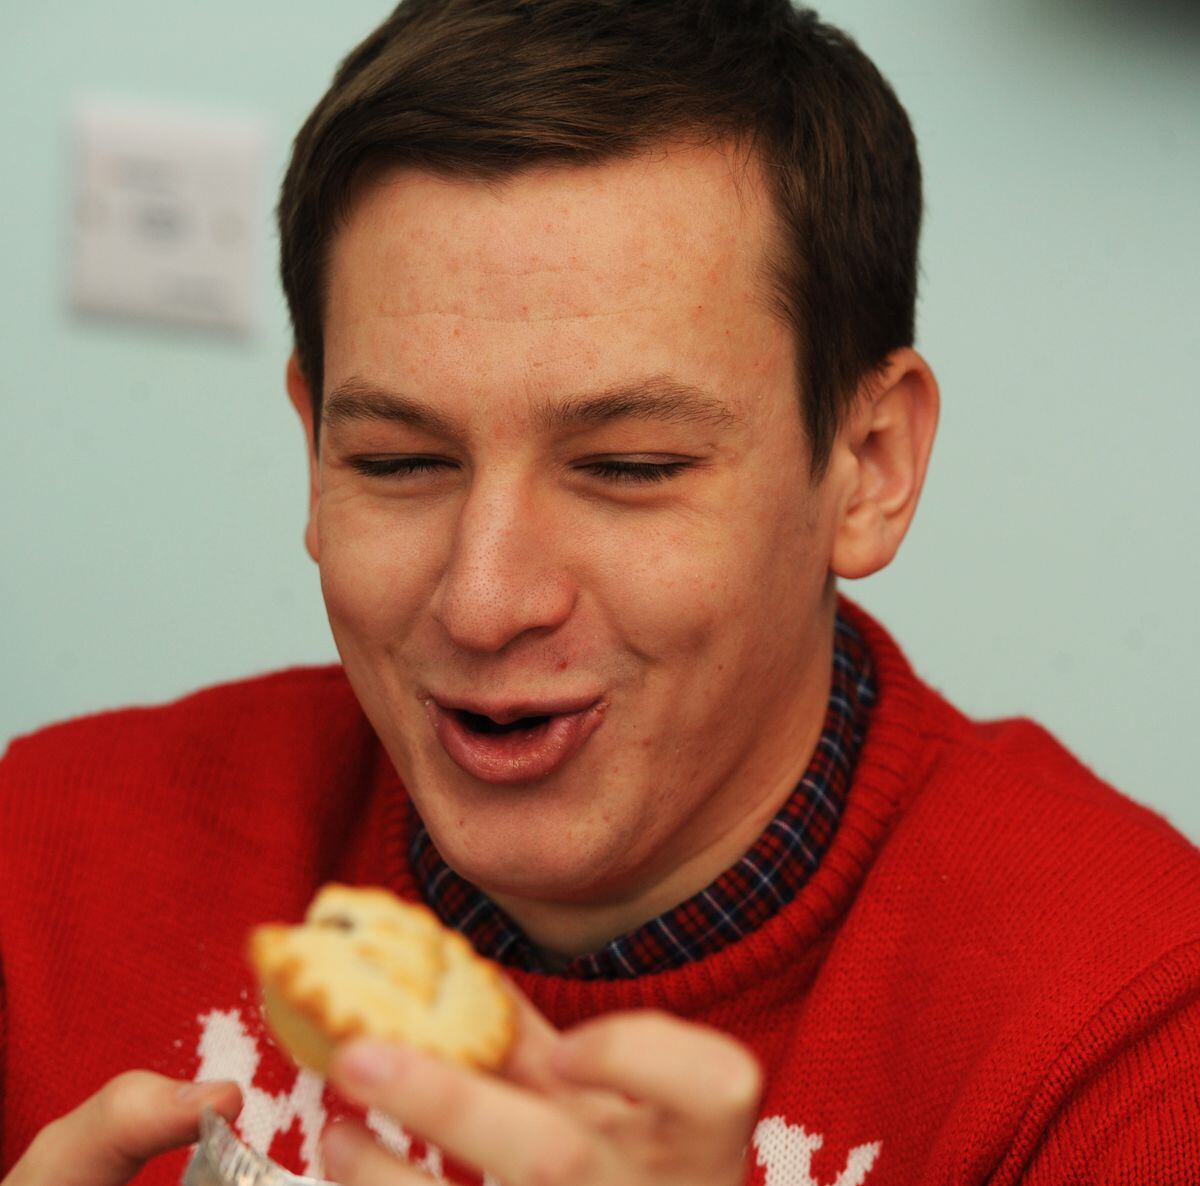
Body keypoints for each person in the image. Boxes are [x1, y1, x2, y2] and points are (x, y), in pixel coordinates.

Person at [3, 1, 1198, 1184]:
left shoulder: (1129, 1032)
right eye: (399, 463)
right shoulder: (41, 863)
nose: (483, 599)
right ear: (312, 449)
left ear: (869, 465)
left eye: (630, 469)